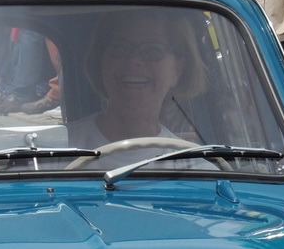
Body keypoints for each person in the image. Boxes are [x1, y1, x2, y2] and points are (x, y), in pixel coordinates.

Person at [66, 10, 206, 148]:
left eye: (153, 50)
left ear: (177, 70)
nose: (134, 60)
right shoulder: (58, 150)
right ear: (101, 61)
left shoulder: (193, 165)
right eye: (120, 48)